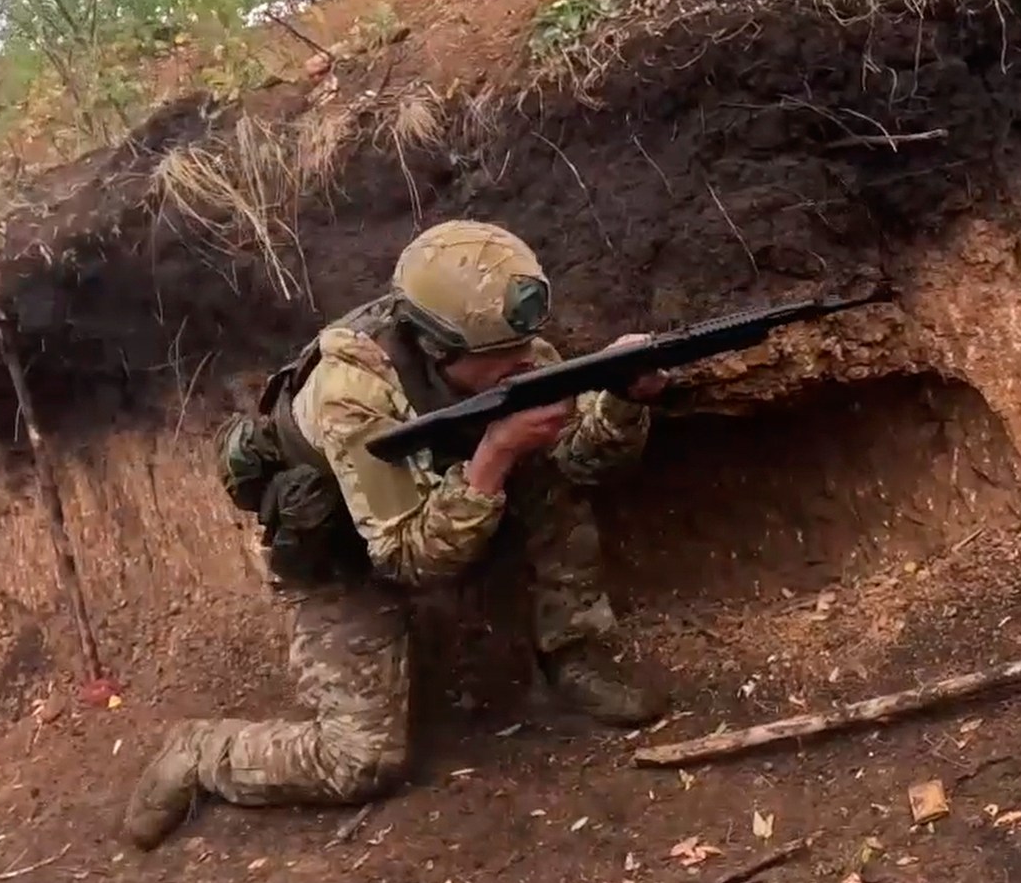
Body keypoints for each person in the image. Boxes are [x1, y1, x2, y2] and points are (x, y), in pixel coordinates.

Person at [122, 220, 667, 850]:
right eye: (504, 357)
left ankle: (570, 651)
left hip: (432, 507)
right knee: (360, 760)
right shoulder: (351, 390)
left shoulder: (507, 347)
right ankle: (201, 753)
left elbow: (583, 462)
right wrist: (493, 454)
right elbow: (407, 558)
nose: (528, 361)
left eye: (529, 345)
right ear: (442, 349)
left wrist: (627, 398)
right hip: (340, 551)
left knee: (546, 466)